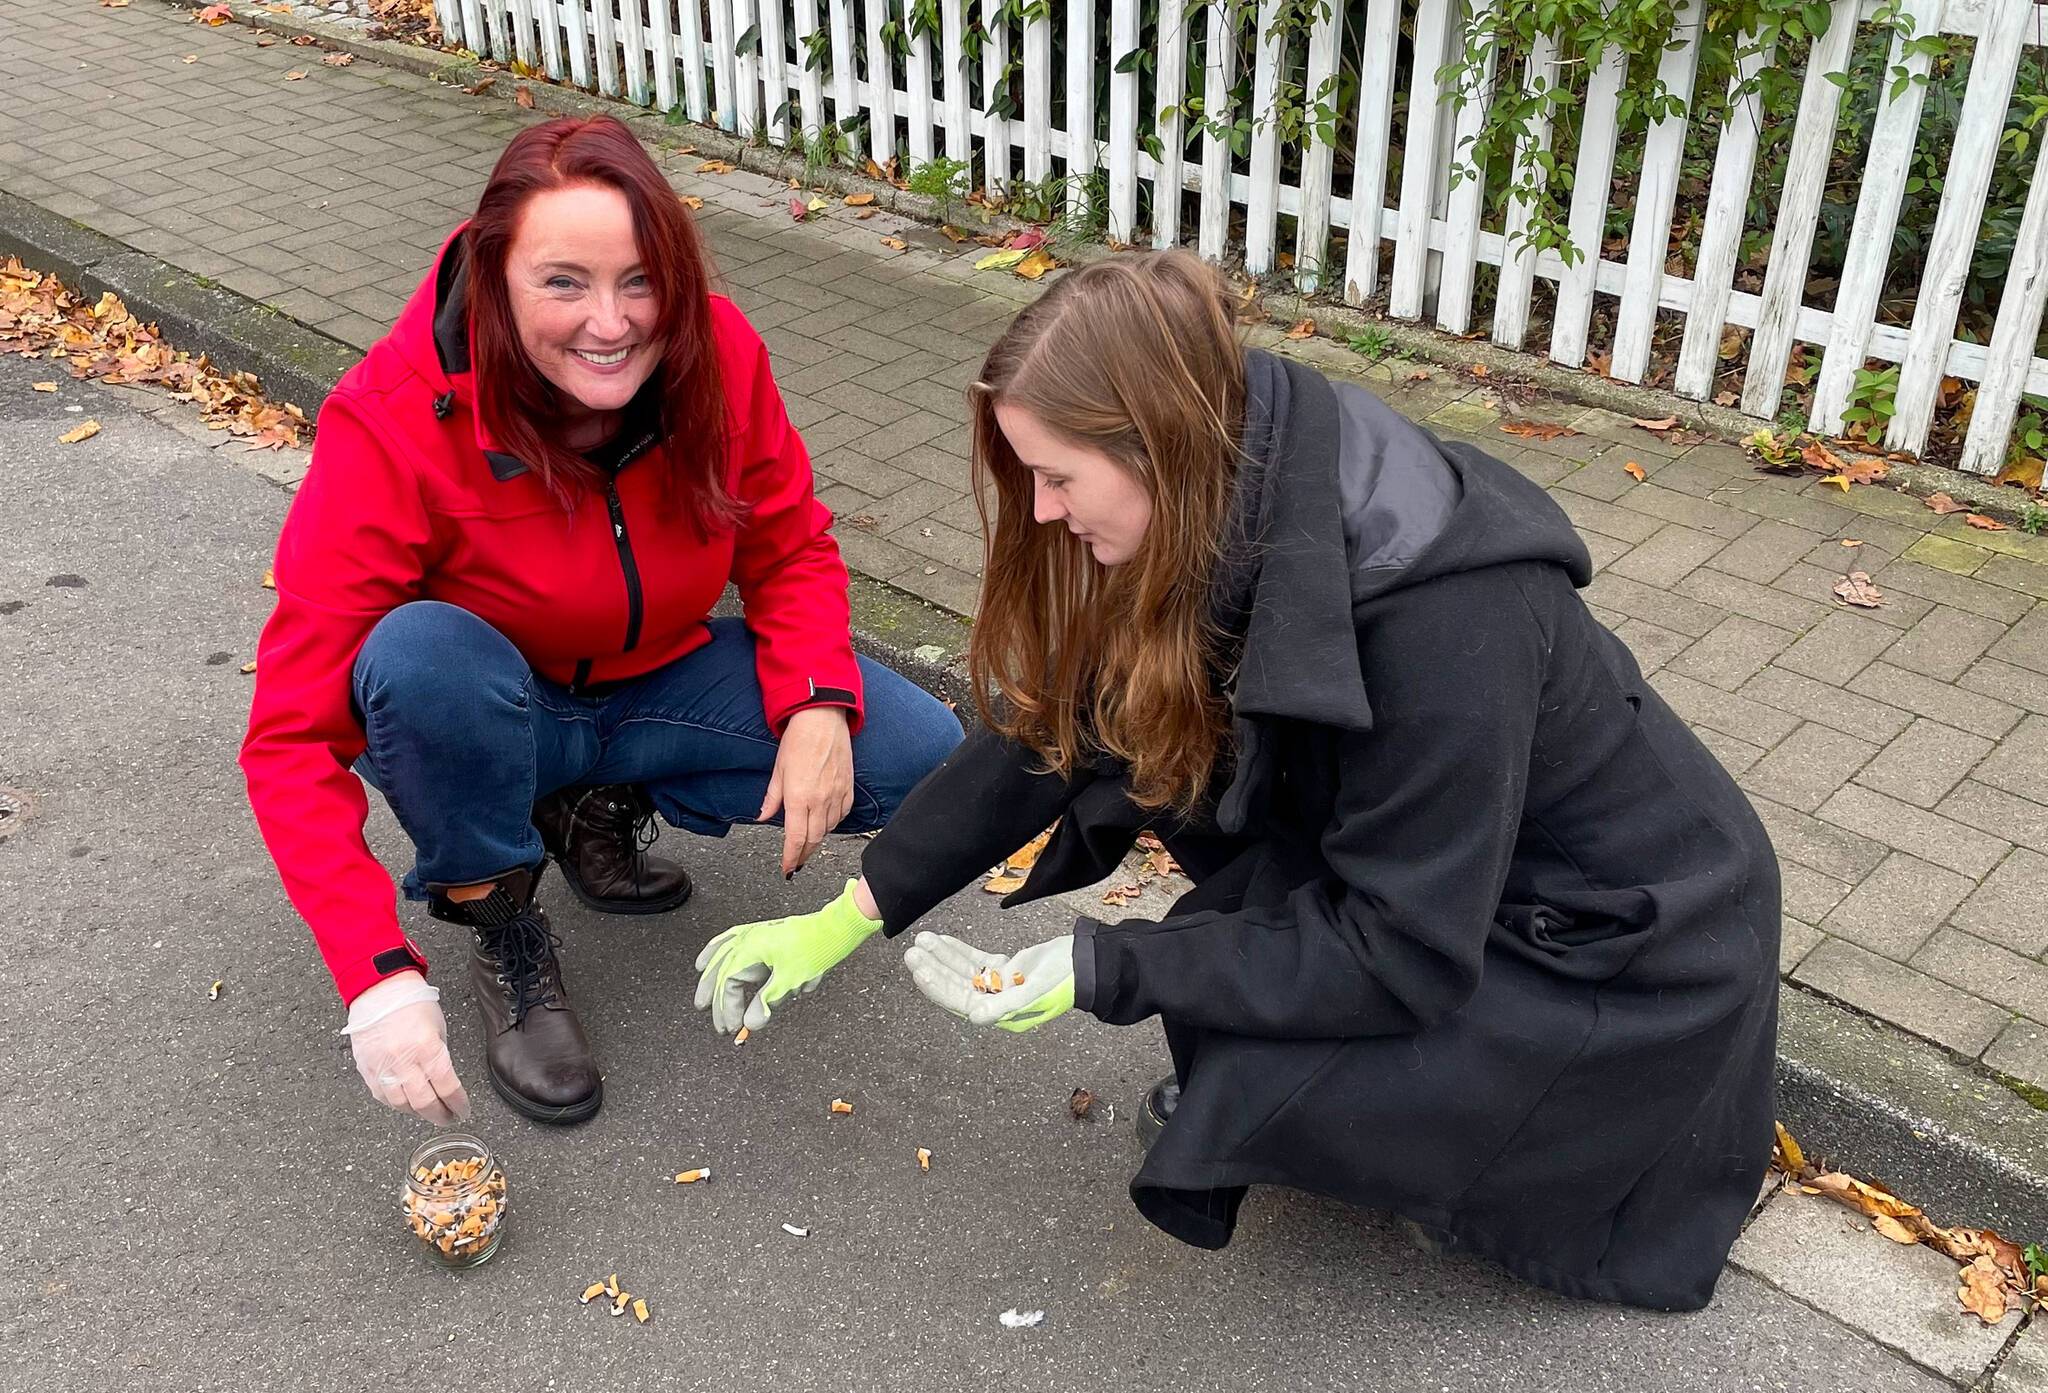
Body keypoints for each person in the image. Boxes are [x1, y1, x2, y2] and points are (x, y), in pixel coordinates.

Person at [692, 250, 1781, 1313]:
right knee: (1222, 922)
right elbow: (1068, 722)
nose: (1039, 509)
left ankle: (1486, 1165)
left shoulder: (1447, 619)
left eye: (1058, 477)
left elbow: (1399, 947)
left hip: (1623, 948)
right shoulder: (1240, 453)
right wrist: (855, 909)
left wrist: (1102, 964)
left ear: (1154, 445)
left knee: (1251, 1042)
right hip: (1478, 874)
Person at [240, 115, 962, 1128]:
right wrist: (375, 975)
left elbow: (789, 543)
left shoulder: (719, 353)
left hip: (656, 684)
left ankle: (591, 807)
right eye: (563, 282)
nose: (611, 323)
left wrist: (815, 701)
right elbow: (289, 735)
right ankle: (497, 912)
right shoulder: (393, 415)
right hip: (502, 704)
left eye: (640, 280)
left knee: (919, 752)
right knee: (417, 657)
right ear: (495, 280)